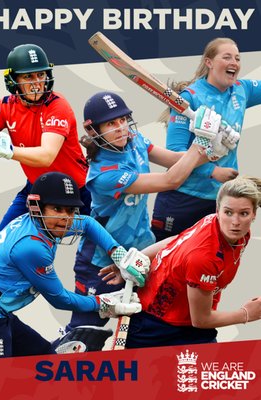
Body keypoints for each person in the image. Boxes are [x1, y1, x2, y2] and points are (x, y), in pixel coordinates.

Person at [63, 90, 226, 334]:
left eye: (122, 120)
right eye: (111, 123)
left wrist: (213, 149)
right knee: (85, 335)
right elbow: (171, 180)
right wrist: (200, 142)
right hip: (101, 263)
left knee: (146, 327)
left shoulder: (135, 138)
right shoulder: (104, 175)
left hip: (143, 252)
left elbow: (174, 160)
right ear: (93, 131)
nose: (120, 128)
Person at [0, 172, 144, 359]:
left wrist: (118, 254)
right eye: (57, 208)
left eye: (71, 210)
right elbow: (60, 299)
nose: (66, 218)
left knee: (45, 357)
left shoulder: (45, 223)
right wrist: (104, 304)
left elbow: (88, 223)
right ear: (36, 207)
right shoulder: (31, 247)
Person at [102, 176, 261, 347]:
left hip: (184, 318)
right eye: (228, 212)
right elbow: (201, 319)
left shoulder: (220, 225)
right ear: (218, 209)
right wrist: (245, 314)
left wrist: (133, 262)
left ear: (254, 214)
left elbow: (178, 239)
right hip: (156, 329)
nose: (235, 222)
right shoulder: (204, 257)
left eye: (243, 213)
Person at [151, 37, 261, 241]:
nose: (234, 63)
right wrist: (213, 171)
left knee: (210, 267)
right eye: (226, 57)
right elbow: (175, 153)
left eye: (237, 58)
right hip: (183, 198)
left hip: (219, 201)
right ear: (209, 62)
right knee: (165, 264)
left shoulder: (241, 90)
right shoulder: (190, 98)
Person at [0, 43, 91, 232]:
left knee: (100, 249)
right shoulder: (4, 106)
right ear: (14, 79)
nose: (37, 82)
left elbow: (46, 156)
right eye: (28, 76)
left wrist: (7, 150)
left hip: (77, 190)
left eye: (40, 74)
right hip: (37, 188)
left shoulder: (57, 105)